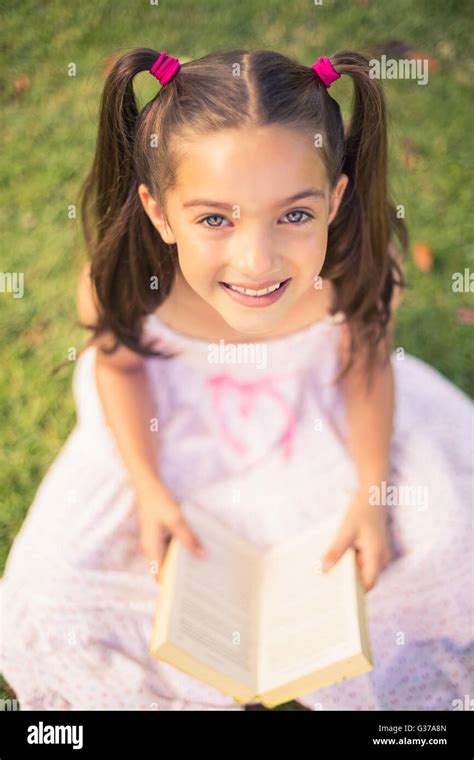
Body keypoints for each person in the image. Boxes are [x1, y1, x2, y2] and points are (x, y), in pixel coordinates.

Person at [0, 48, 472, 711]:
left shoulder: (357, 277)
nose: (257, 261)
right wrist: (147, 485)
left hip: (322, 416)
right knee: (58, 589)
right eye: (215, 218)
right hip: (172, 428)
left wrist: (370, 491)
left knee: (448, 555)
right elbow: (122, 365)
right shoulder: (127, 286)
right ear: (160, 213)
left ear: (335, 200)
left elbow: (366, 368)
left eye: (295, 214)